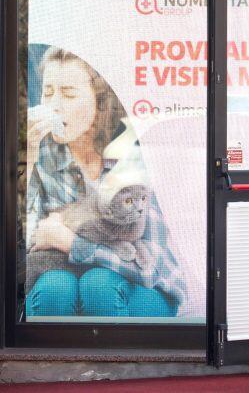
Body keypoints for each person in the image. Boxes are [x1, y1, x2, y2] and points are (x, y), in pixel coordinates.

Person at [25, 47, 186, 318]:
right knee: (55, 288)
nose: (53, 105)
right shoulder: (39, 157)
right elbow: (23, 250)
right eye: (48, 92)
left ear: (99, 103)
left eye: (68, 93)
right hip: (70, 281)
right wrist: (28, 156)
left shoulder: (129, 155)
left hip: (143, 289)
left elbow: (148, 268)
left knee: (98, 284)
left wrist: (72, 244)